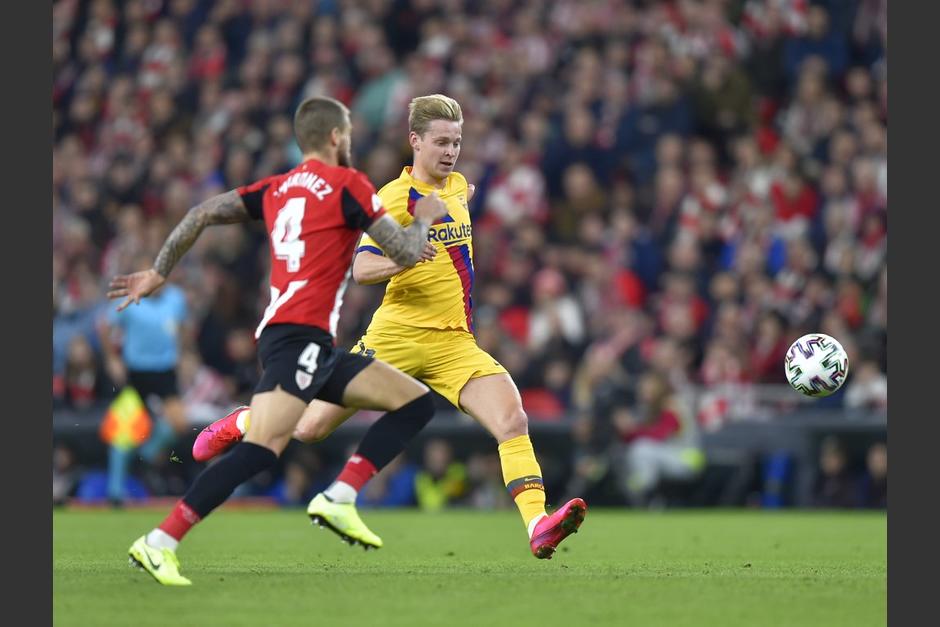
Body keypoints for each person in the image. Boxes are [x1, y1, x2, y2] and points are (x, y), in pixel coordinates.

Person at [194, 94, 587, 559]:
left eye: (457, 142)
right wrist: (401, 256)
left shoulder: (458, 187)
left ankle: (537, 525)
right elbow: (361, 268)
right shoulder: (393, 198)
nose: (450, 151)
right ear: (415, 141)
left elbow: (461, 197)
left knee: (512, 418)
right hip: (394, 338)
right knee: (311, 427)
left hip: (453, 342)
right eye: (440, 142)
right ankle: (244, 419)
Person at [111, 95, 448, 585]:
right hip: (299, 337)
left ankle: (339, 496)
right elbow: (406, 251)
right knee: (261, 450)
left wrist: (159, 271)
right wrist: (426, 215)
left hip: (300, 339)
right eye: (348, 134)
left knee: (415, 403)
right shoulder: (348, 184)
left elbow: (202, 213)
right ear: (336, 137)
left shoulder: (277, 187)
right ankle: (161, 540)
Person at [98, 252, 188, 504]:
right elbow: (104, 325)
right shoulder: (131, 298)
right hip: (135, 372)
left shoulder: (177, 300)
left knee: (179, 423)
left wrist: (183, 353)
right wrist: (111, 358)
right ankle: (115, 492)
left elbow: (183, 329)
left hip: (165, 371)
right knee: (123, 430)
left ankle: (146, 456)